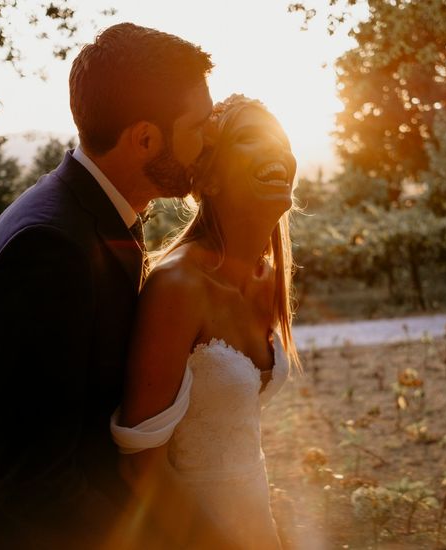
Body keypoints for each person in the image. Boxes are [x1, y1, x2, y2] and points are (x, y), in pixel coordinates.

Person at [0, 23, 213, 549]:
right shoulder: (48, 249)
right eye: (198, 127)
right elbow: (37, 484)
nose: (206, 143)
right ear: (145, 138)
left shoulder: (92, 216)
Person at [111, 94, 301, 550]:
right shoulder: (177, 287)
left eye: (280, 138)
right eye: (251, 139)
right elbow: (140, 466)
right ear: (209, 180)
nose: (276, 150)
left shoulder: (267, 278)